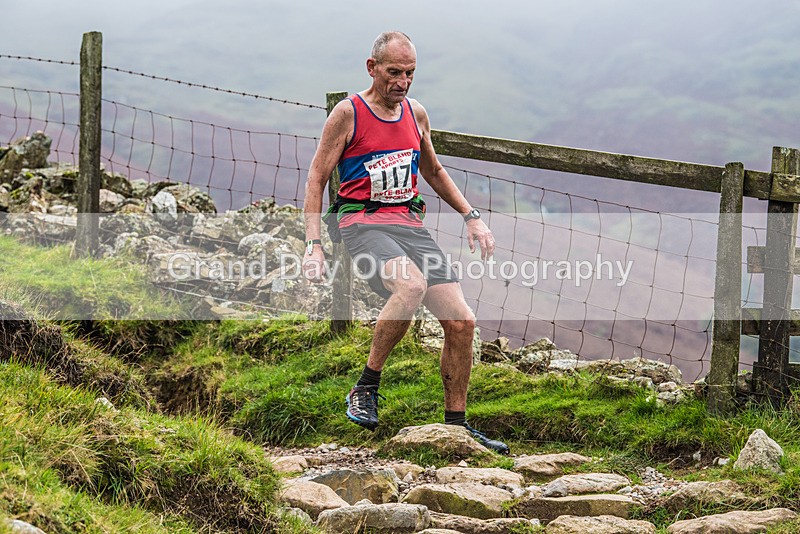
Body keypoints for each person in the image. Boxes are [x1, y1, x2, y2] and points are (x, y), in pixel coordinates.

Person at [302, 31, 508, 454]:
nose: (403, 81)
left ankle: (456, 426)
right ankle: (366, 386)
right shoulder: (348, 113)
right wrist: (314, 244)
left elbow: (432, 170)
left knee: (462, 323)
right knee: (410, 285)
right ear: (371, 67)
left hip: (410, 226)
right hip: (363, 224)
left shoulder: (416, 114)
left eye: (410, 72)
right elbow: (317, 176)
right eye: (394, 72)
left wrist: (472, 217)